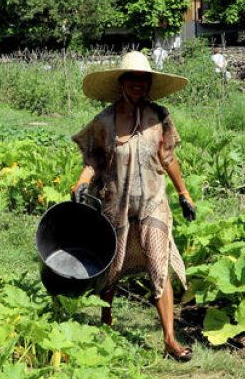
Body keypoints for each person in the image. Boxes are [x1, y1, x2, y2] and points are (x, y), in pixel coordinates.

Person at [72, 51, 197, 362]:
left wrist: (184, 193)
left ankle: (170, 339)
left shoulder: (159, 116)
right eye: (133, 79)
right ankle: (106, 318)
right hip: (117, 205)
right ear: (122, 82)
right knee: (112, 269)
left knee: (159, 265)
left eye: (144, 80)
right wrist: (82, 183)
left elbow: (168, 158)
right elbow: (93, 160)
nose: (138, 84)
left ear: (149, 84)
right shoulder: (105, 121)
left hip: (153, 203)